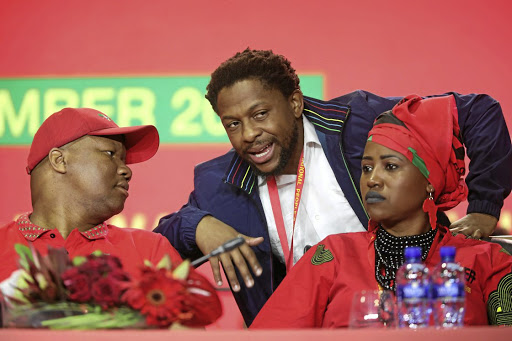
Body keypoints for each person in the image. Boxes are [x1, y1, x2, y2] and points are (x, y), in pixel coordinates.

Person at [154, 49, 512, 325]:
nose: (248, 134)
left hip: (414, 307)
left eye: (260, 114)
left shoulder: (359, 122)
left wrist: (483, 207)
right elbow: (158, 246)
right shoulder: (219, 183)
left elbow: (477, 112)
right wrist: (199, 225)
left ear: (294, 102)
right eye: (232, 124)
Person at [250, 95, 512, 328]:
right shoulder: (332, 256)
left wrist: (485, 207)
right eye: (366, 168)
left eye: (390, 166)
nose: (372, 180)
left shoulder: (486, 259)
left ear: (429, 180)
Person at [0, 107, 184, 281]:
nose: (127, 171)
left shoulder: (150, 251)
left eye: (124, 160)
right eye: (110, 154)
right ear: (59, 160)